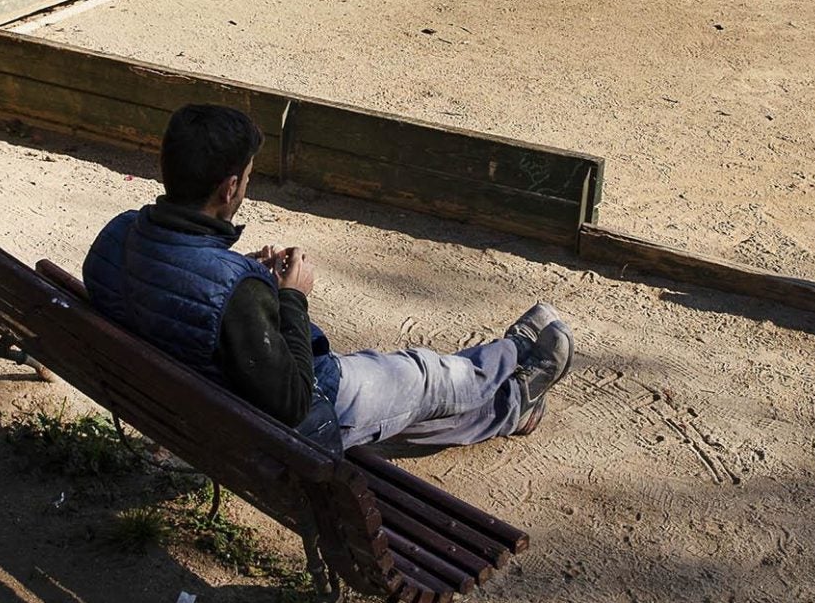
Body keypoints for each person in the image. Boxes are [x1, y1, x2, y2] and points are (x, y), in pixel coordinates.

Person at [84, 104, 572, 450]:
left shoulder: (116, 235)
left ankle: (511, 405)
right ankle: (515, 358)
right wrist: (290, 297)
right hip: (304, 411)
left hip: (192, 403)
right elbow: (295, 403)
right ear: (230, 186)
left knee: (408, 413)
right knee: (425, 378)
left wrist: (245, 276)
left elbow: (178, 293)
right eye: (249, 178)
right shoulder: (238, 292)